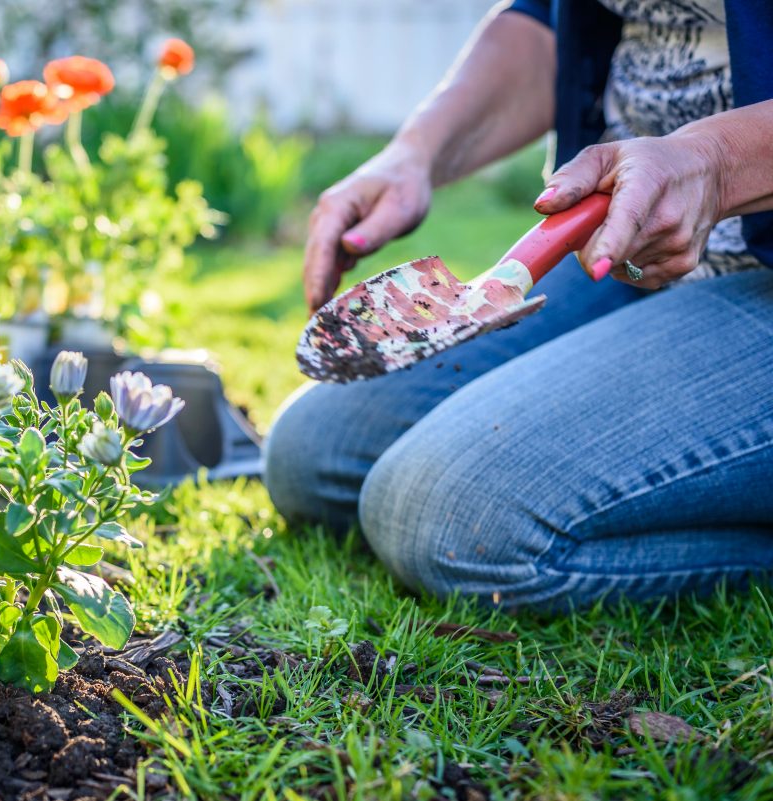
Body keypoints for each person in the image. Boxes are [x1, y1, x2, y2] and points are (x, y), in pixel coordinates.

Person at [263, 0, 773, 609]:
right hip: (626, 239)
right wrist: (416, 153)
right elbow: (546, 21)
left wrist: (715, 161)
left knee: (446, 519)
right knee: (314, 452)